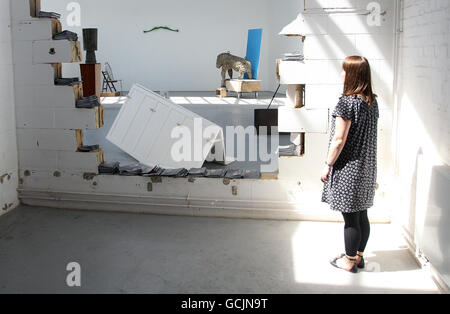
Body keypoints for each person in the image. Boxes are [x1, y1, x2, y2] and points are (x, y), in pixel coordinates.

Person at [321, 56, 379, 273]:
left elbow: (339, 140)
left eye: (344, 71)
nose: (341, 74)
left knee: (350, 219)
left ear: (353, 75)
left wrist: (327, 164)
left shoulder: (346, 103)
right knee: (362, 214)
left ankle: (348, 261)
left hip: (349, 169)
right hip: (366, 168)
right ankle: (358, 257)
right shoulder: (371, 101)